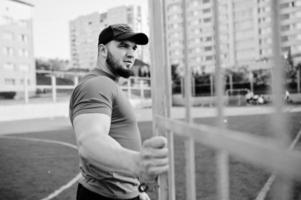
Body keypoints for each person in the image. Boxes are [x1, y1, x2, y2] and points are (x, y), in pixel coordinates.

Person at [69, 24, 169, 200]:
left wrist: (136, 188)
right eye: (123, 46)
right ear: (103, 50)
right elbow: (90, 140)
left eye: (134, 47)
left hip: (120, 192)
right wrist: (136, 162)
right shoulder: (97, 84)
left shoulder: (108, 84)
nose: (131, 53)